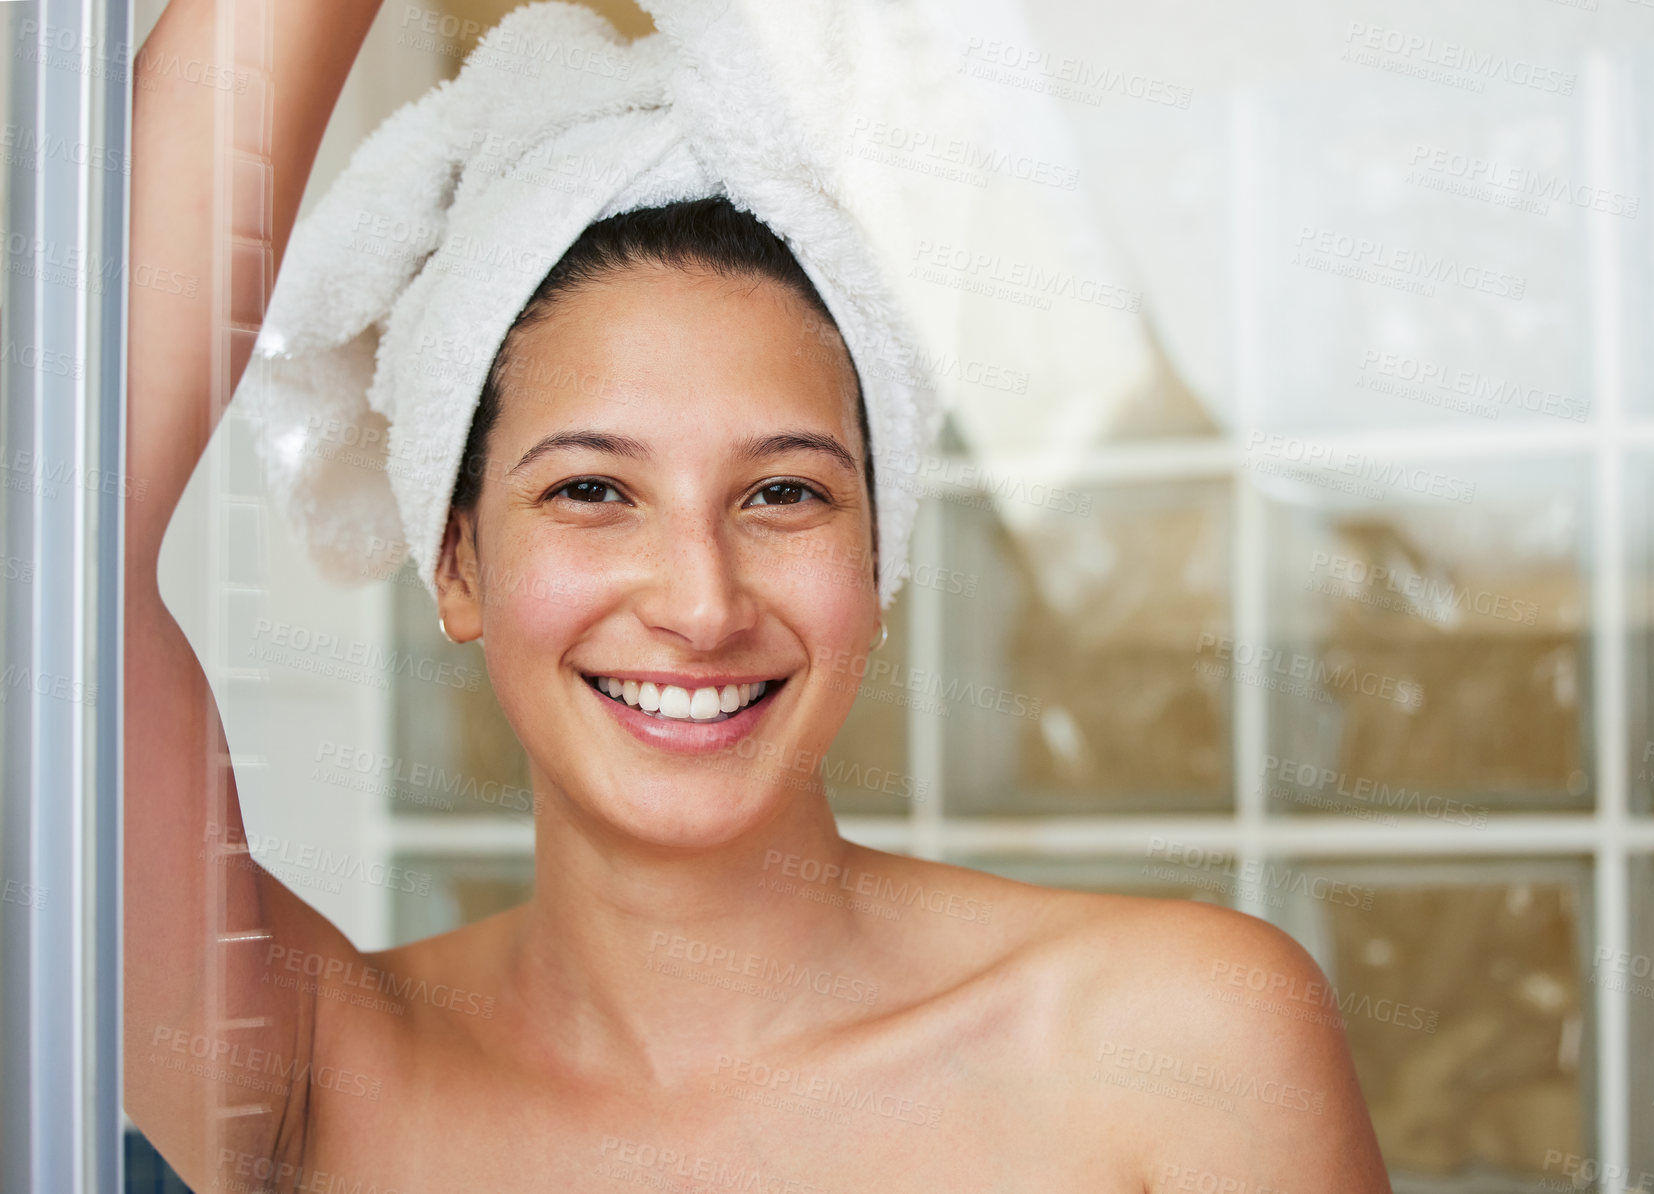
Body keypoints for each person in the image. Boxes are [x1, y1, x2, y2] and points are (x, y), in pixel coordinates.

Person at [124, 2, 1393, 1191]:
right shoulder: (313, 1081)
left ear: (879, 556)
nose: (701, 601)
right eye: (591, 492)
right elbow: (53, 543)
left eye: (784, 494)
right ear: (456, 561)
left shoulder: (1176, 1051)